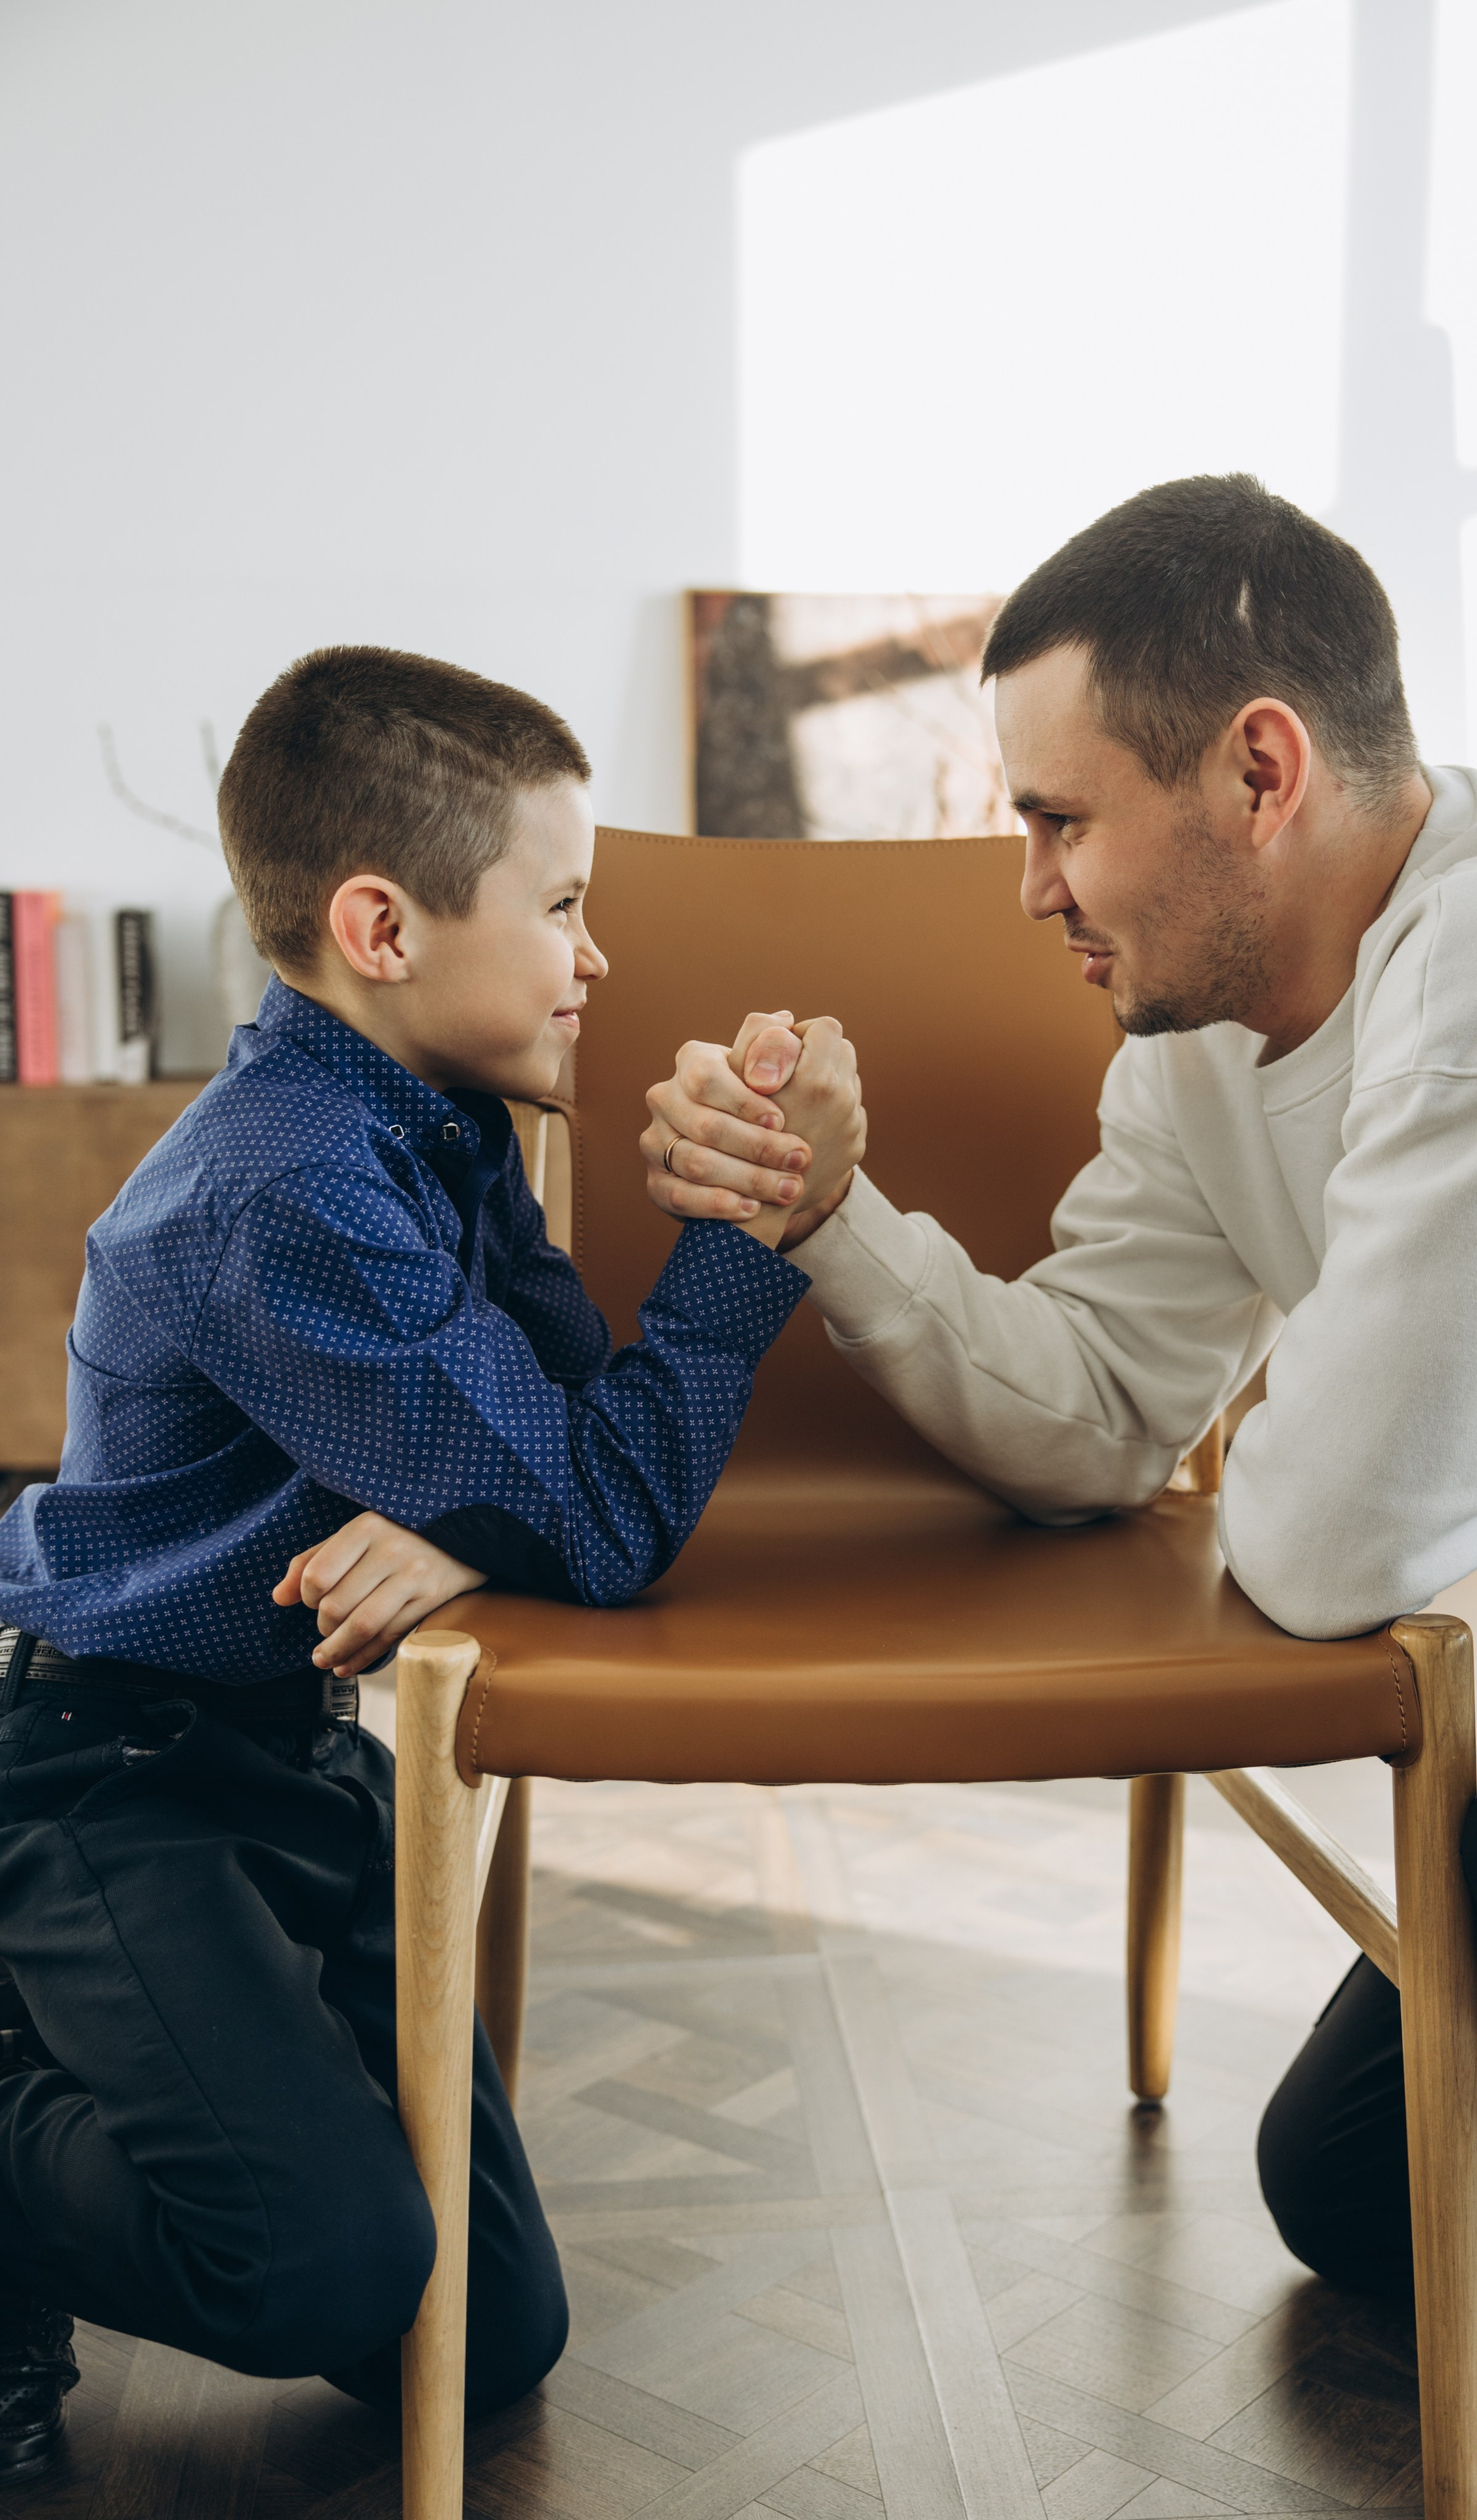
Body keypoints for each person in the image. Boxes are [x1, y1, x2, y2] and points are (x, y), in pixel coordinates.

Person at [643, 474, 1477, 2304]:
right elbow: (1100, 1412)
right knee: (1362, 2182)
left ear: (1260, 774)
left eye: (1060, 820)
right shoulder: (1204, 1052)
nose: (1029, 884)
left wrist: (1316, 1429)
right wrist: (828, 1213)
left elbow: (1335, 1547)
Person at [0, 646, 863, 2480]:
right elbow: (605, 1521)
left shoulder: (445, 1126)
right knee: (322, 2272)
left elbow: (551, 1447)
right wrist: (745, 1223)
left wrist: (473, 1519)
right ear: (381, 925)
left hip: (293, 1753)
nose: (597, 956)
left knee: (493, 2339)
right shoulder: (285, 1188)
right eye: (563, 906)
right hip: (113, 1778)